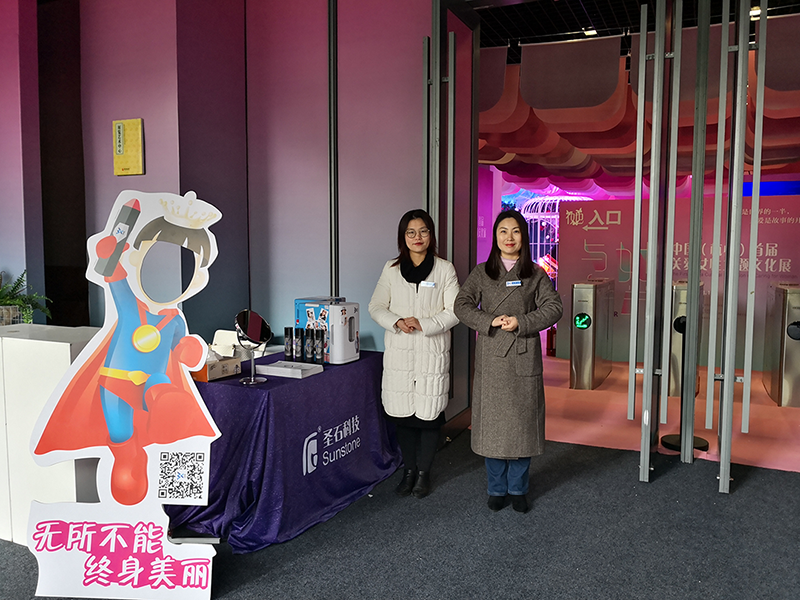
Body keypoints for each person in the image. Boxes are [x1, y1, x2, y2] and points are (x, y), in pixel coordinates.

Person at [454, 209, 562, 513]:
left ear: (523, 236)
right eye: (503, 231)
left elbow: (554, 307)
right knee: (492, 428)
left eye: (515, 231)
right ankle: (496, 488)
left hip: (523, 354)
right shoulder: (482, 272)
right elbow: (461, 305)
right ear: (495, 236)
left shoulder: (535, 273)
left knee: (523, 427)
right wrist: (488, 320)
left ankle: (518, 488)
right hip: (492, 357)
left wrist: (522, 322)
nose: (509, 237)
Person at [369, 209, 460, 499]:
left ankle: (424, 473)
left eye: (423, 231)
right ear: (403, 237)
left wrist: (426, 324)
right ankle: (408, 471)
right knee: (404, 417)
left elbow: (455, 310)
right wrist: (396, 321)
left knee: (430, 416)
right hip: (401, 354)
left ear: (431, 235)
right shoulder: (391, 269)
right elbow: (376, 306)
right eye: (411, 232)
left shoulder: (444, 269)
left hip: (432, 353)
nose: (417, 237)